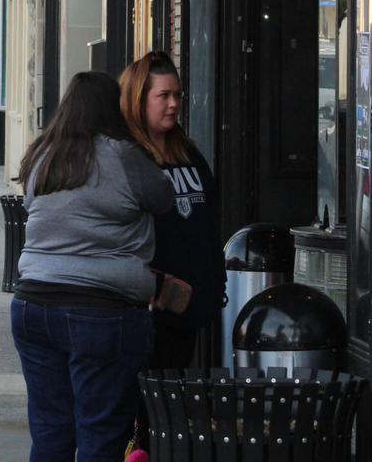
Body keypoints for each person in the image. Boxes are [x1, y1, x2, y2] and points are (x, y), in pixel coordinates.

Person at [11, 70, 174, 462]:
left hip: (32, 306)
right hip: (101, 312)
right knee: (101, 434)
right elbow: (165, 198)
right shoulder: (122, 155)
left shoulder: (42, 155)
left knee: (50, 431)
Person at [120, 50, 226, 372]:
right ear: (139, 99)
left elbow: (209, 220)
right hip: (145, 309)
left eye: (177, 95)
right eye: (163, 95)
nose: (174, 104)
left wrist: (213, 282)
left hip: (191, 307)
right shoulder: (127, 157)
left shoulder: (188, 153)